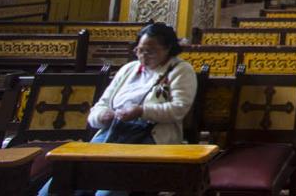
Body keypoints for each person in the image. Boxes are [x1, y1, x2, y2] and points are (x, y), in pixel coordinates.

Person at [39, 23, 197, 196]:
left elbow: (178, 109)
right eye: (139, 50)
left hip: (150, 139)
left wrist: (140, 111)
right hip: (111, 134)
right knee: (61, 183)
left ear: (168, 48)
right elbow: (102, 104)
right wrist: (102, 116)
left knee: (108, 190)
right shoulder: (128, 69)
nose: (143, 56)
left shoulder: (180, 70)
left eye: (150, 51)